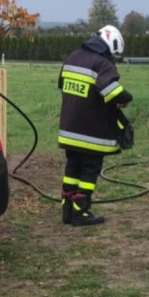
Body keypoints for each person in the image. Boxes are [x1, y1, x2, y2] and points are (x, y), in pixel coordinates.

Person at [56, 25, 132, 226]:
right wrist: (127, 98)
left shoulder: (73, 57)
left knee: (72, 167)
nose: (112, 58)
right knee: (90, 171)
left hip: (68, 130)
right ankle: (81, 211)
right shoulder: (102, 63)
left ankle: (67, 210)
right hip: (90, 132)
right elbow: (112, 93)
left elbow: (62, 85)